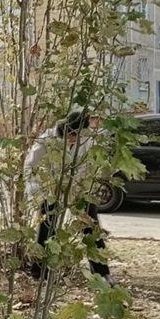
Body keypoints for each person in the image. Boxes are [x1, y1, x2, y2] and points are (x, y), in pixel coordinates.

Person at [24, 110, 113, 284]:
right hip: (53, 190)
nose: (75, 139)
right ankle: (39, 271)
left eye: (78, 135)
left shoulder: (88, 138)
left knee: (91, 229)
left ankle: (102, 273)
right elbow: (30, 165)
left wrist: (88, 187)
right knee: (47, 228)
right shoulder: (48, 140)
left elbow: (91, 165)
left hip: (80, 190)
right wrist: (38, 191)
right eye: (72, 135)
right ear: (66, 131)